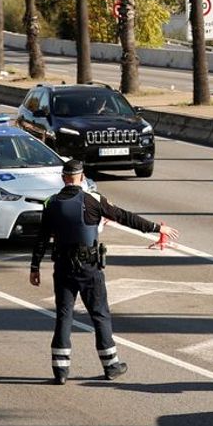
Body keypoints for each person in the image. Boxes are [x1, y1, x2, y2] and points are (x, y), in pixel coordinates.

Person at [30, 159, 179, 385]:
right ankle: (111, 366)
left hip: (62, 267)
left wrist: (35, 267)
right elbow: (125, 217)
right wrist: (157, 228)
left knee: (64, 315)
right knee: (99, 314)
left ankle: (60, 371)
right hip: (89, 267)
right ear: (82, 177)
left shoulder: (51, 203)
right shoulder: (93, 200)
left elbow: (42, 239)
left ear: (63, 178)